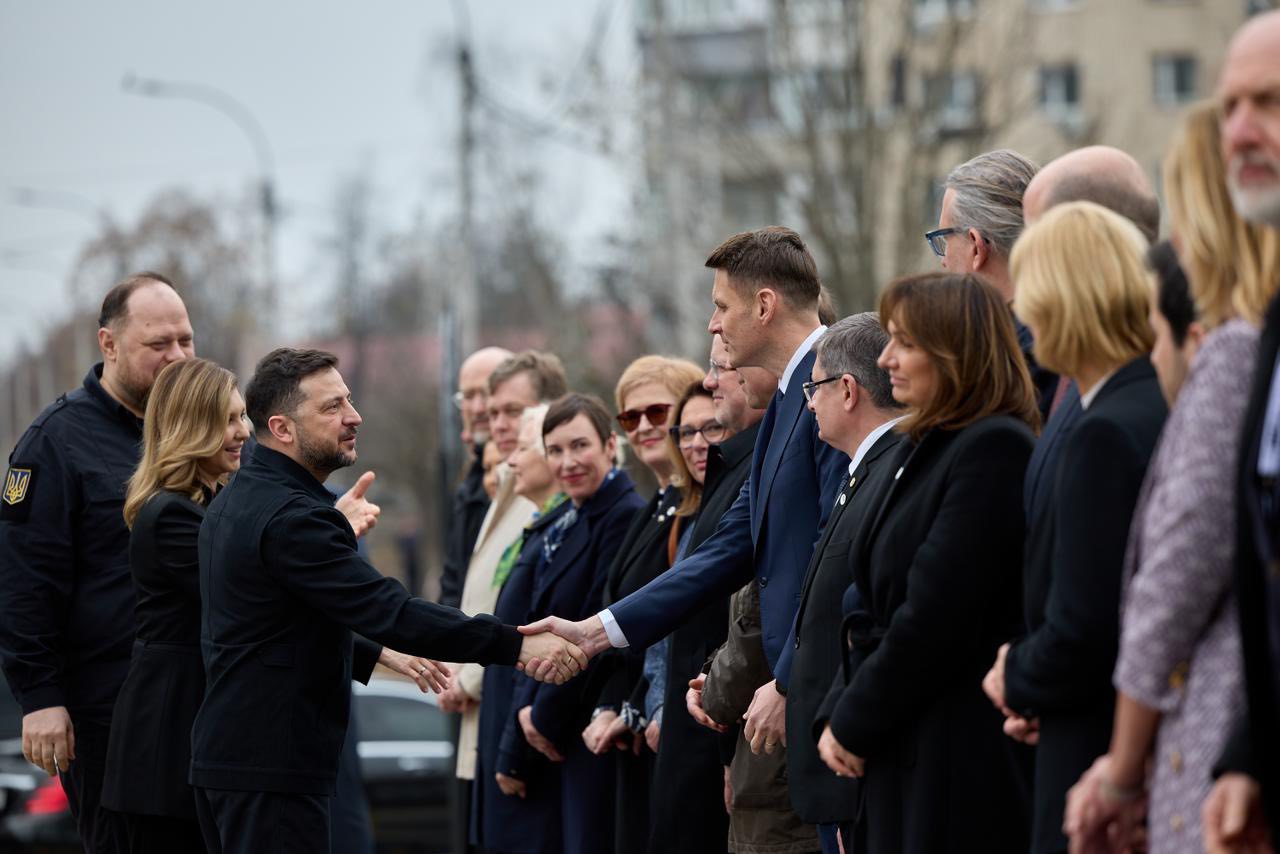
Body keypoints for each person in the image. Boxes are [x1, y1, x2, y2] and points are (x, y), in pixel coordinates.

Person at [189, 348, 584, 854]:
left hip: (236, 761)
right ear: (282, 428)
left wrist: (375, 651)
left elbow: (275, 624)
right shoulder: (293, 519)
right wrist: (515, 646)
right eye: (331, 408)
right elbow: (391, 610)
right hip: (272, 771)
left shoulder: (242, 496)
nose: (354, 417)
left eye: (349, 400)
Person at [521, 227, 849, 781]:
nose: (713, 324)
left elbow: (837, 553)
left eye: (722, 306)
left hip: (820, 700)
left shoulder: (834, 389)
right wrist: (597, 631)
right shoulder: (789, 401)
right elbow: (725, 550)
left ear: (764, 306)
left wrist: (791, 678)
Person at [816, 272, 1038, 853]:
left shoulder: (995, 448)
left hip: (954, 757)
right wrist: (839, 709)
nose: (886, 358)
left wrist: (854, 718)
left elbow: (936, 615)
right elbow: (864, 599)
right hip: (902, 745)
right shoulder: (921, 448)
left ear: (956, 351)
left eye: (905, 342)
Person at [982, 201, 1167, 853]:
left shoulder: (1105, 433)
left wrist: (1016, 674)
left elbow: (1089, 628)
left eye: (1027, 289)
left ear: (1062, 296)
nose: (1019, 314)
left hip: (1094, 750)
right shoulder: (1148, 400)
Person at [502, 392, 646, 854]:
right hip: (552, 723)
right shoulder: (573, 516)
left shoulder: (622, 515)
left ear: (609, 446)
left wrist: (539, 719)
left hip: (586, 722)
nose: (568, 462)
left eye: (580, 446)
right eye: (556, 451)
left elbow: (593, 625)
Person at [439, 349, 568, 848]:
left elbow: (525, 612)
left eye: (512, 411)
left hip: (513, 709)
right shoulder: (502, 490)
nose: (498, 424)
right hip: (480, 705)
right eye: (491, 412)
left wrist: (466, 675)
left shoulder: (547, 498)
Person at [786, 313, 904, 850]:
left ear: (848, 390)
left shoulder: (889, 470)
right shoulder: (864, 469)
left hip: (854, 770)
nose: (809, 402)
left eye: (814, 387)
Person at [579, 355, 703, 854]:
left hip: (669, 722)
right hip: (635, 728)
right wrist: (610, 705)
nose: (645, 427)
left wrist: (635, 709)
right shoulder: (654, 507)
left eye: (658, 412)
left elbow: (675, 623)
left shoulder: (694, 505)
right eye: (631, 418)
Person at [650, 335, 766, 854]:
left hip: (726, 723)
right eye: (687, 431)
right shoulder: (715, 486)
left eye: (710, 428)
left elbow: (744, 606)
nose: (698, 442)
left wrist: (725, 747)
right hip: (697, 719)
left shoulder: (754, 469)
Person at [473, 404, 571, 854]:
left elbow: (541, 641)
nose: (510, 461)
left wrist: (513, 750)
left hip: (529, 743)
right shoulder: (537, 529)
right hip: (503, 729)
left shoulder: (560, 530)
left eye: (523, 449)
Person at [930, 150, 1056, 418]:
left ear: (976, 247)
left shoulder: (1007, 368)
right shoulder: (1072, 331)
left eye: (944, 240)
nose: (943, 261)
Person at [440, 346, 513, 610]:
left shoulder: (539, 478)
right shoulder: (469, 482)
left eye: (487, 393)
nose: (479, 408)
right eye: (468, 396)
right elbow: (453, 581)